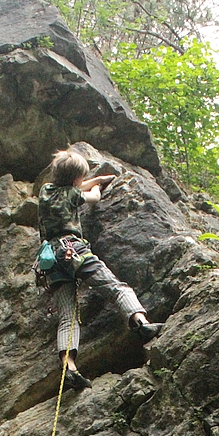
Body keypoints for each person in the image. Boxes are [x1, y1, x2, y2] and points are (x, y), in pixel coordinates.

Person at [36, 147, 161, 390]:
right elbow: (93, 197)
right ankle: (140, 322)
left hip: (50, 260)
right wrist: (97, 187)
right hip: (73, 249)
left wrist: (98, 179)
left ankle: (69, 368)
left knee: (67, 316)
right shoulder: (74, 195)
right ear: (76, 180)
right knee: (115, 288)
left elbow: (72, 186)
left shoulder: (45, 191)